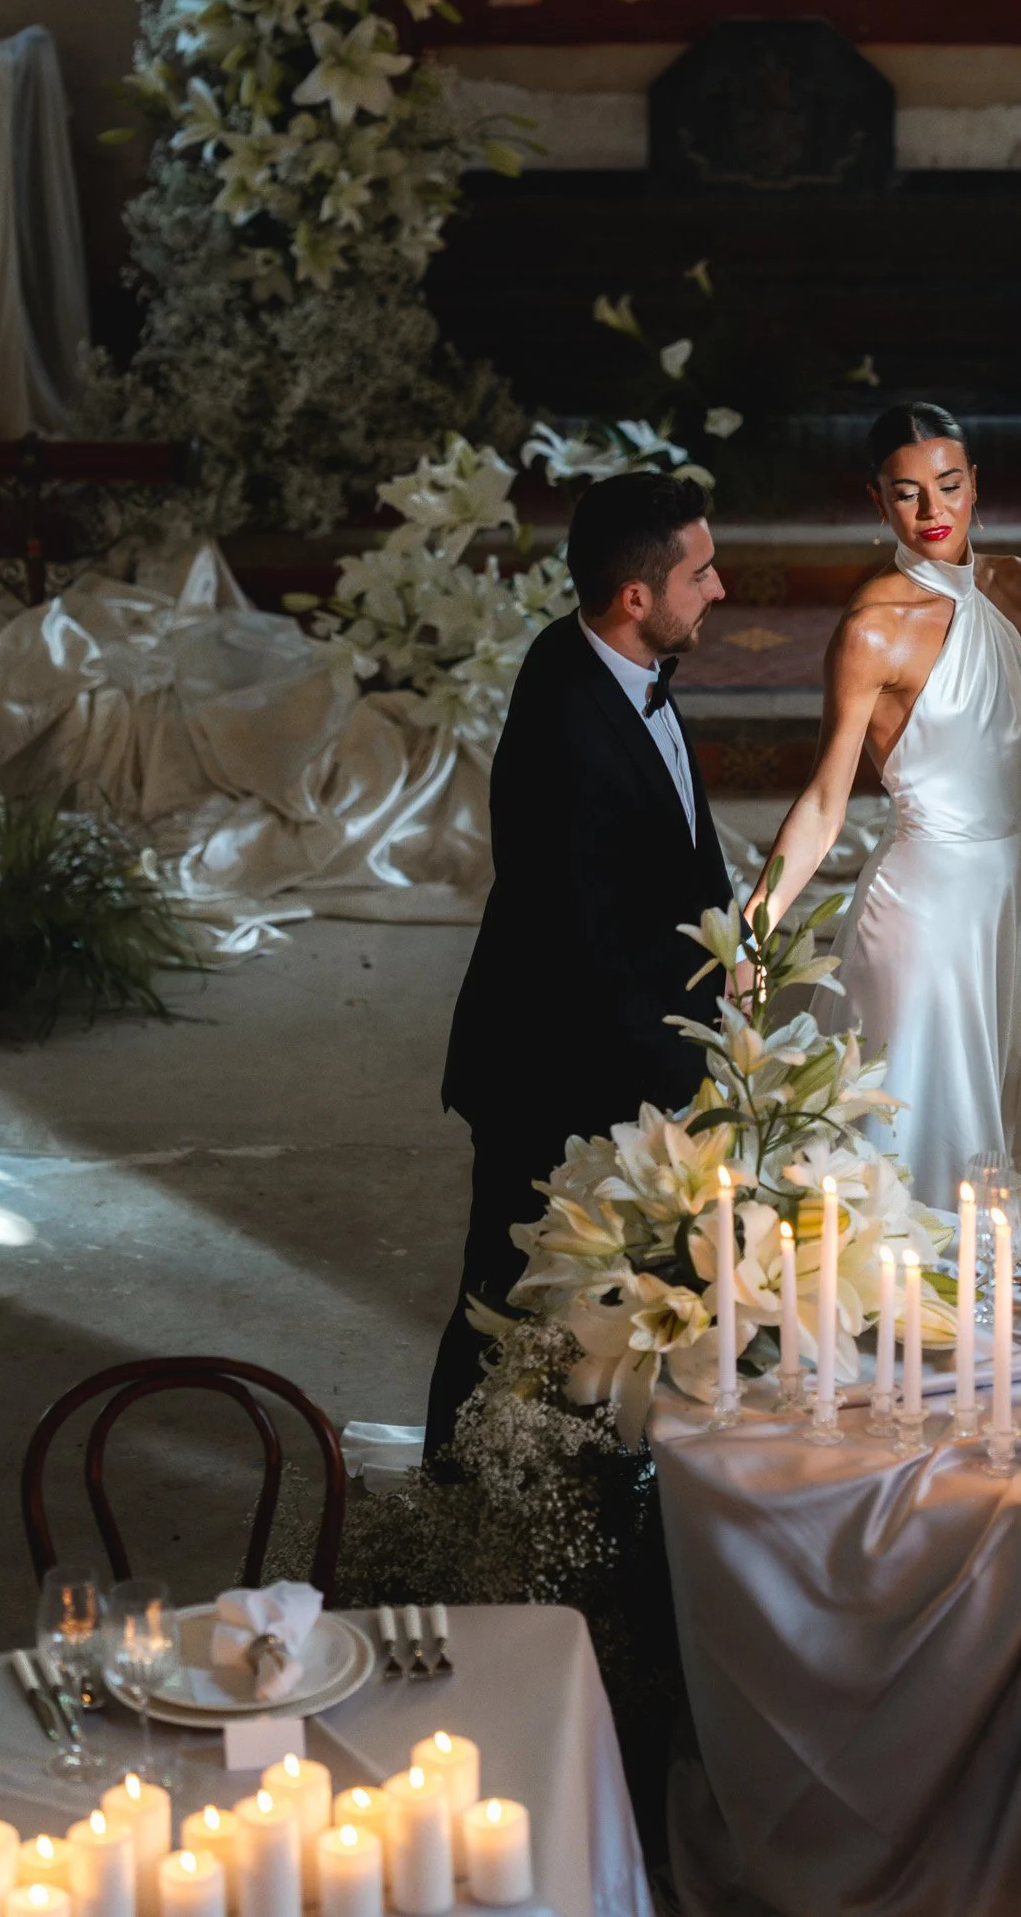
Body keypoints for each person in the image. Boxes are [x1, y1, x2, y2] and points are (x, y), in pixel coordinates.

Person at [745, 402, 1021, 1207]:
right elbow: (824, 799)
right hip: (917, 921)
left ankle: (952, 1314)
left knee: (981, 1124)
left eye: (948, 486)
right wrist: (753, 930)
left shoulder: (1019, 588)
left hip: (995, 911)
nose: (932, 511)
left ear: (974, 483)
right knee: (913, 1142)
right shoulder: (872, 629)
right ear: (877, 501)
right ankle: (876, 1312)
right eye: (907, 493)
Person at [423, 469, 733, 1460]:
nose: (718, 588)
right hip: (549, 1069)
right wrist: (693, 1076)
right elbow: (583, 945)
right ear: (636, 597)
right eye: (701, 571)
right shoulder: (564, 725)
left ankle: (585, 1479)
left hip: (621, 1043)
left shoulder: (613, 662)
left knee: (593, 1306)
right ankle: (453, 1506)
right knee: (502, 1309)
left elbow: (688, 866)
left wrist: (738, 983)